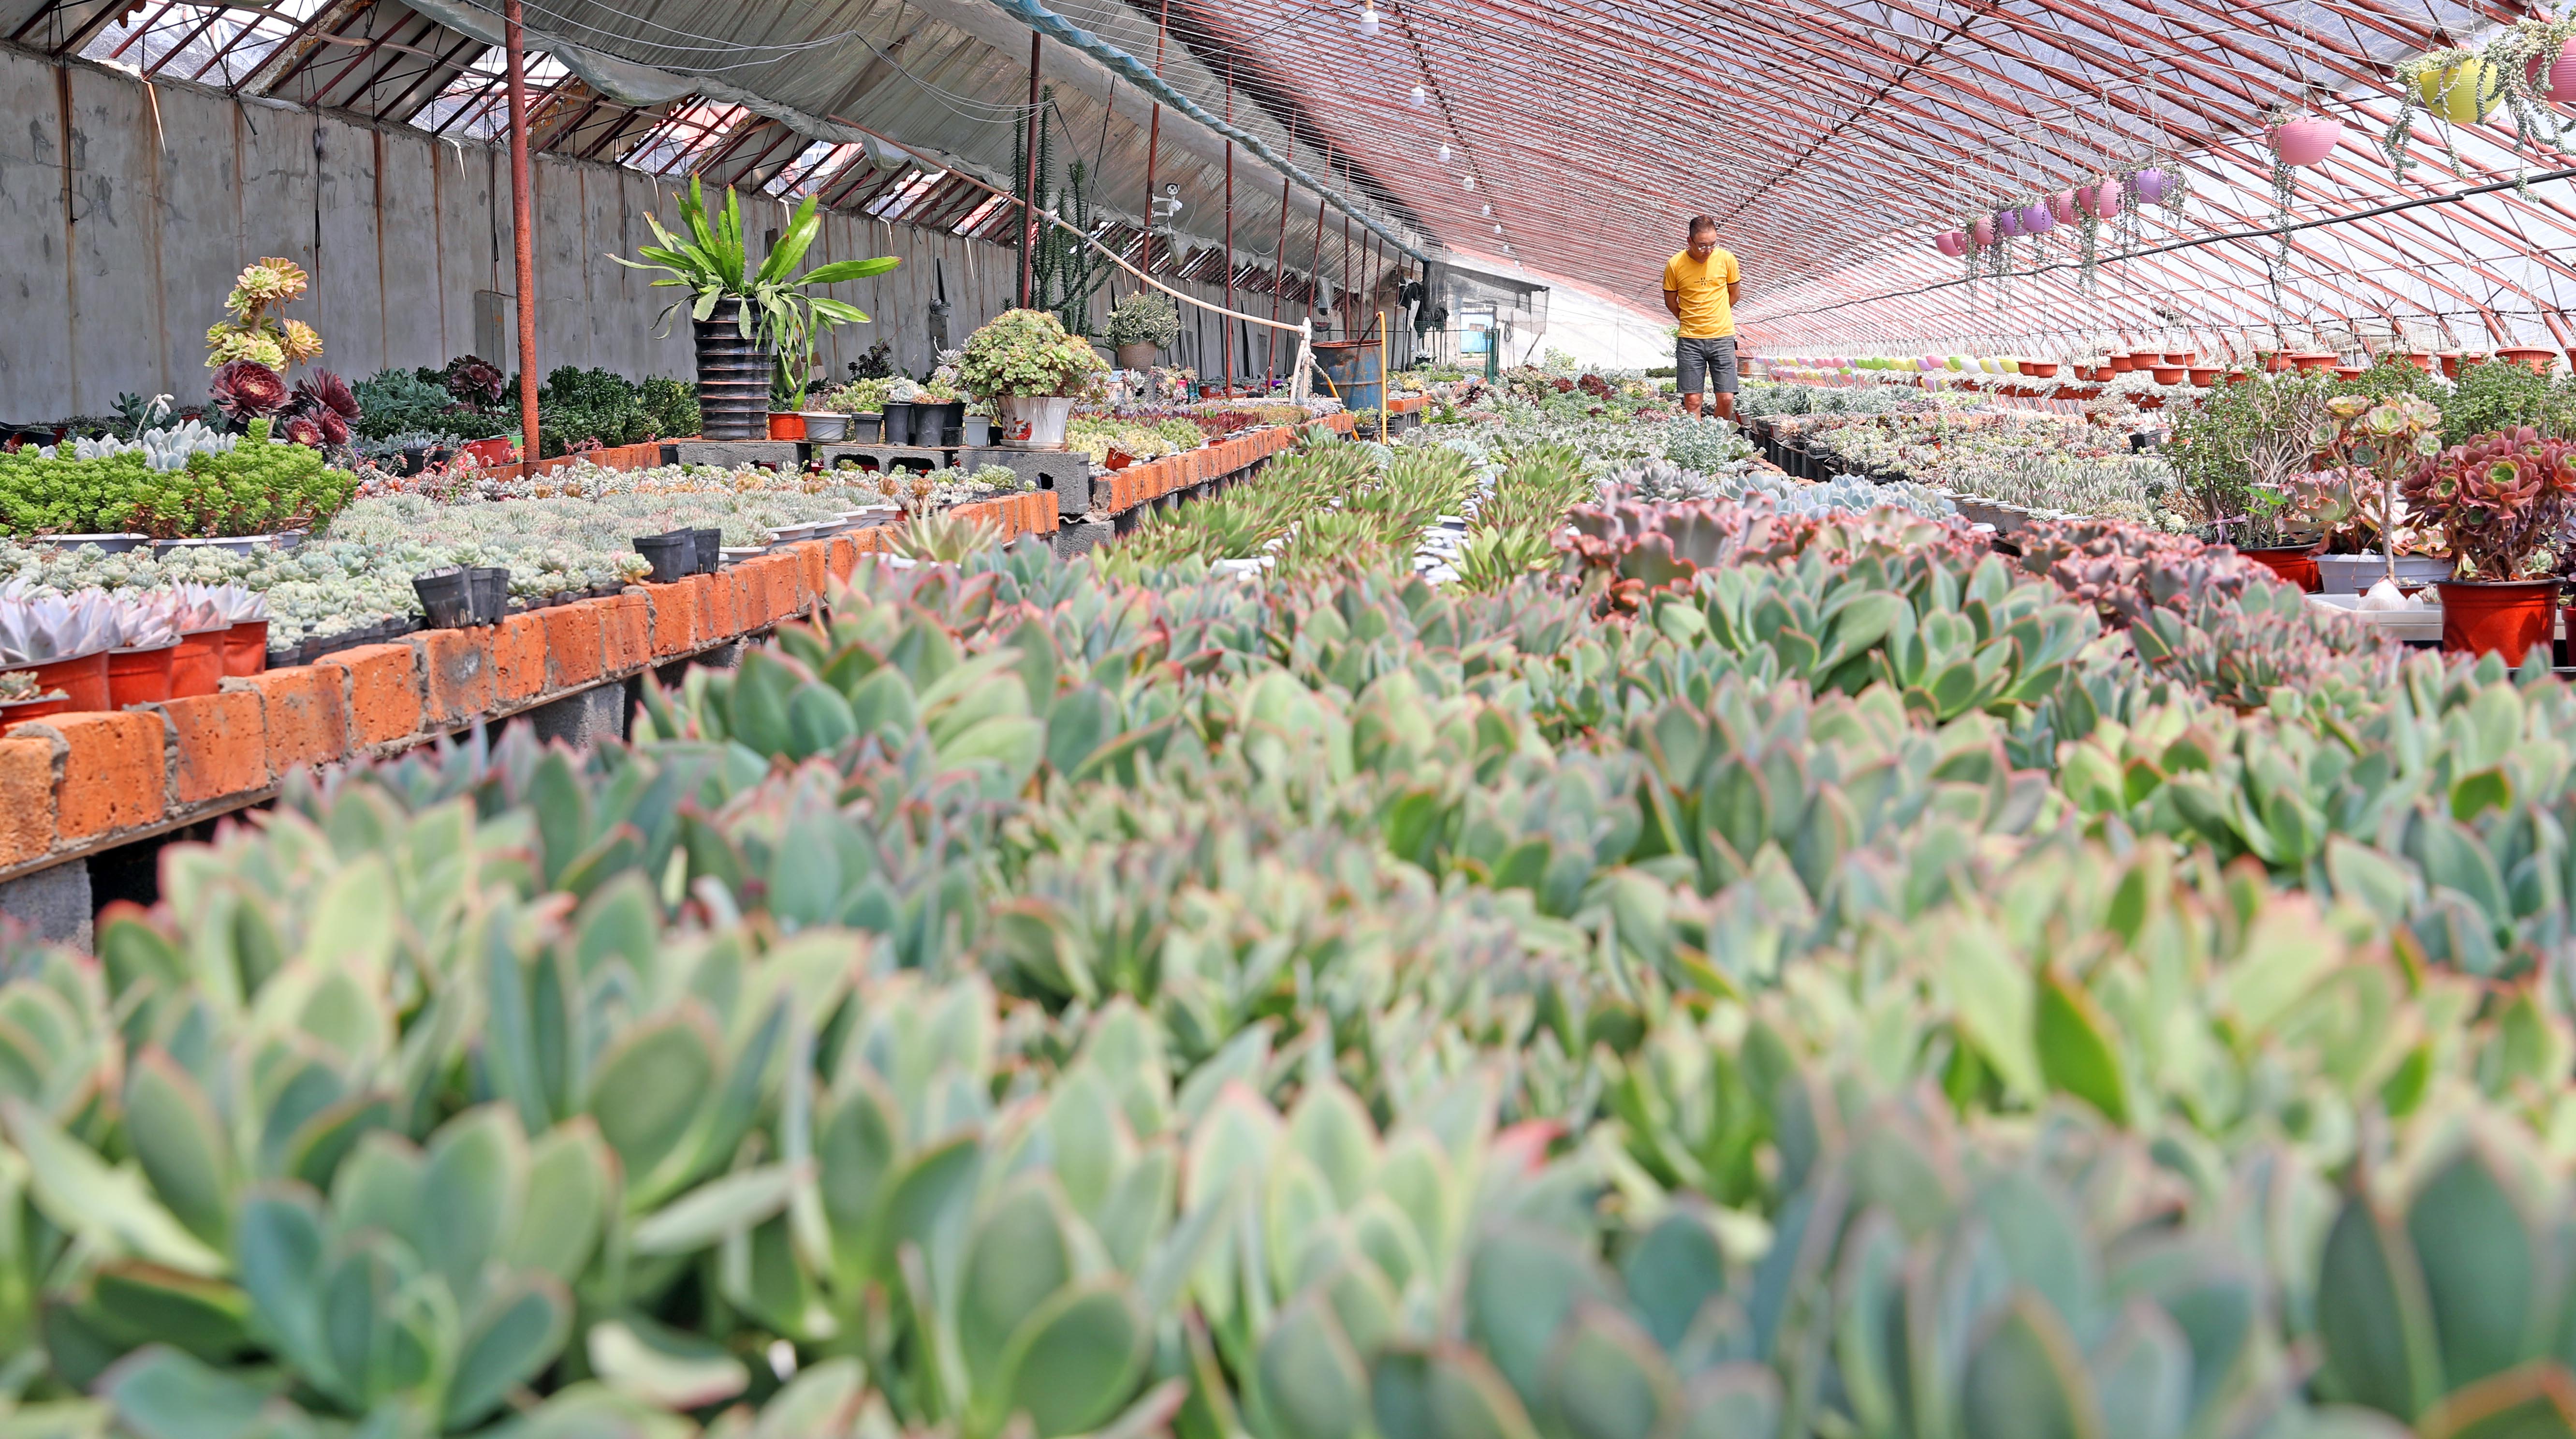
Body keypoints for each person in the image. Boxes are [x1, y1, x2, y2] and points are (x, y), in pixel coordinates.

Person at [1663, 216, 1742, 421]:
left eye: (1713, 244)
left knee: (1726, 399)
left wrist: (1717, 314)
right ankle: (1698, 446)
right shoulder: (1675, 264)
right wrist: (1691, 318)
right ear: (1689, 241)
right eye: (1702, 246)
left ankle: (1718, 442)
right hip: (1690, 341)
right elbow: (1671, 302)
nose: (1708, 250)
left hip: (1723, 338)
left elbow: (1734, 294)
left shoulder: (1727, 259)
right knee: (1693, 401)